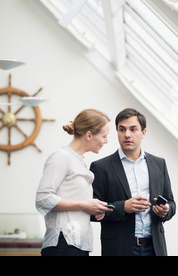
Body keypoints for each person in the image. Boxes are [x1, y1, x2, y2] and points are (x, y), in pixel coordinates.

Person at [90, 108, 176, 256]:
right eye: (121, 129)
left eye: (133, 129)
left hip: (155, 248)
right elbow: (91, 211)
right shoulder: (100, 167)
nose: (127, 135)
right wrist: (123, 207)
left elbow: (171, 203)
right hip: (119, 249)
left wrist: (166, 210)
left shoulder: (159, 164)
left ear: (143, 133)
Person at [35, 108, 112, 256]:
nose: (106, 141)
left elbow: (72, 200)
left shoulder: (79, 161)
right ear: (89, 135)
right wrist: (85, 205)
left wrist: (94, 209)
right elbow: (43, 199)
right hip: (63, 244)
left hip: (76, 244)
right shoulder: (61, 157)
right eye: (104, 136)